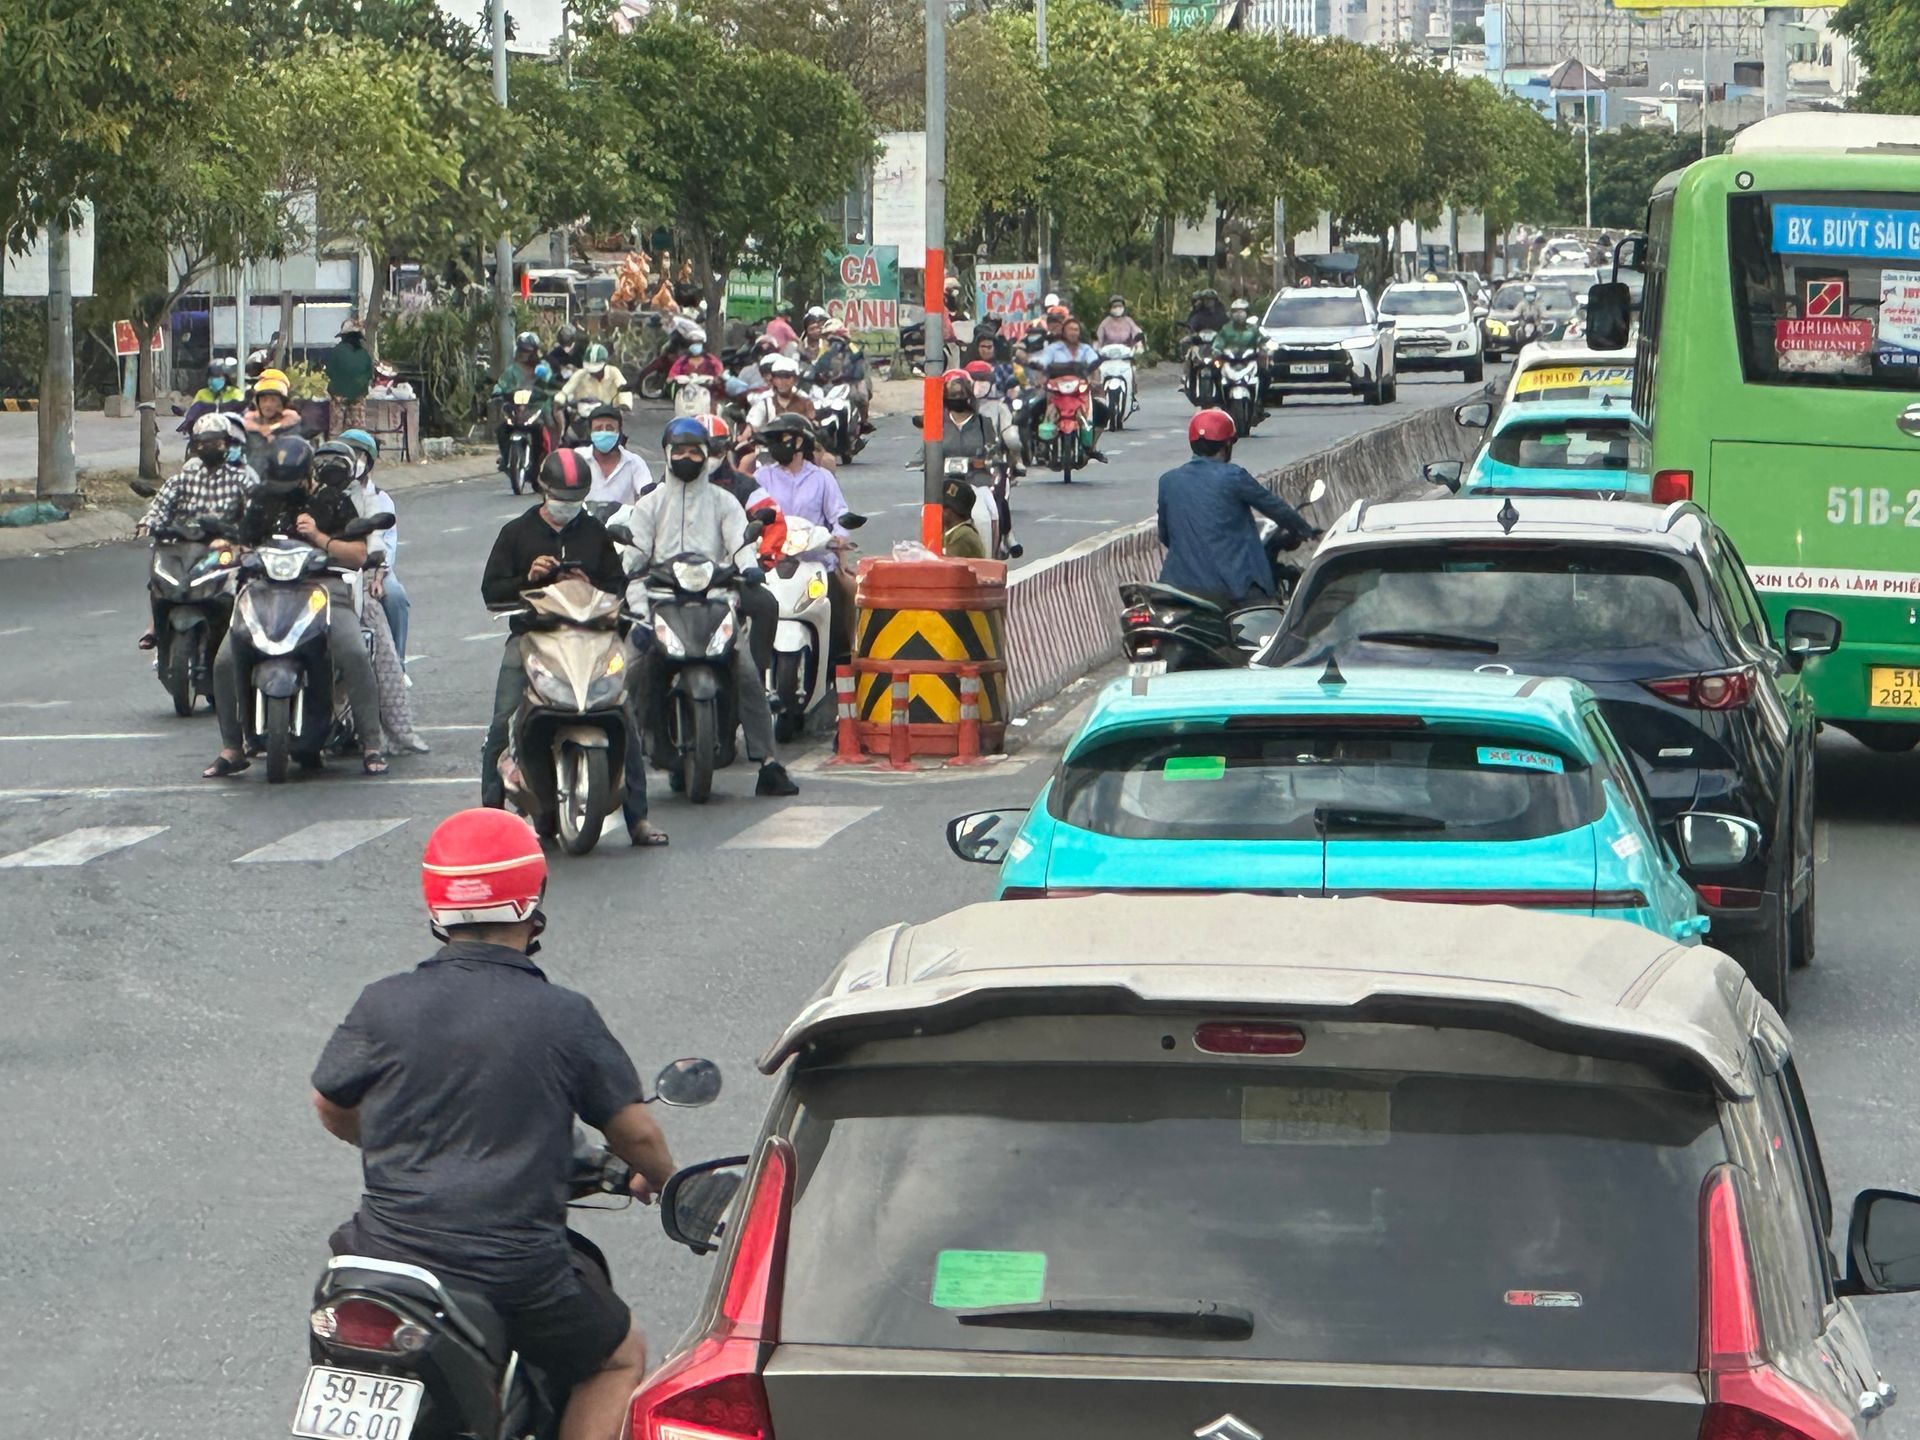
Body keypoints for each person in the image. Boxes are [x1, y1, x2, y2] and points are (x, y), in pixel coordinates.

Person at [310, 807, 676, 1440]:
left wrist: (398, 1141)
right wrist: (669, 1182)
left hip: (377, 1257)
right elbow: (636, 1134)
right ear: (533, 901)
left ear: (436, 905)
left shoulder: (383, 1002)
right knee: (620, 1356)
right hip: (511, 1271)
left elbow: (330, 1103)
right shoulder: (562, 1015)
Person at [480, 449, 661, 845]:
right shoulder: (516, 533)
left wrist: (588, 583)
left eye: (575, 499)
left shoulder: (594, 532)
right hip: (535, 637)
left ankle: (638, 820)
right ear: (543, 491)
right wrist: (529, 579)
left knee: (623, 714)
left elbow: (616, 586)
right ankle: (491, 818)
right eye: (561, 499)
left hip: (591, 638)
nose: (567, 507)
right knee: (502, 719)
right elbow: (492, 591)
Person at [614, 418, 797, 799]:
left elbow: (740, 543)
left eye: (694, 451)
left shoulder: (724, 501)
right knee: (627, 672)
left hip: (715, 600)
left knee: (746, 672)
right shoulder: (649, 504)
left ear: (706, 455)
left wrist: (749, 566)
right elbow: (635, 559)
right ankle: (618, 766)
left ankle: (768, 764)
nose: (687, 458)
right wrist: (636, 600)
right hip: (659, 602)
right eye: (679, 451)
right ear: (667, 454)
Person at [203, 435, 388, 778]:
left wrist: (319, 537)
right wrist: (230, 550)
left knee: (353, 651)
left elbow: (358, 555)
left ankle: (371, 744)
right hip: (265, 591)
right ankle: (231, 747)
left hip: (323, 588)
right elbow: (241, 543)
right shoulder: (262, 500)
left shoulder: (331, 501)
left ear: (307, 476)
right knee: (226, 659)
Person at [1156, 409, 1316, 613]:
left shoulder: (1168, 481)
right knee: (1267, 619)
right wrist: (1304, 529)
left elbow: (1165, 535)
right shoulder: (1233, 476)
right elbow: (1275, 508)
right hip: (1232, 587)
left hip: (1177, 586)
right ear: (1227, 445)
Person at [136, 412, 259, 654]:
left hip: (224, 551)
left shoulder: (242, 481)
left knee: (245, 586)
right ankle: (157, 629)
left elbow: (255, 517)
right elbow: (159, 508)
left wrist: (240, 536)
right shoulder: (181, 480)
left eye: (215, 442)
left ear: (227, 444)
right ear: (195, 446)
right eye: (202, 443)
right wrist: (148, 524)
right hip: (183, 548)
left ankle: (243, 637)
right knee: (159, 581)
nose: (208, 448)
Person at [749, 414, 855, 660]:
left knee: (847, 592)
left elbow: (839, 514)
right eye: (773, 439)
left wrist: (839, 536)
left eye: (782, 438)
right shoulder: (762, 477)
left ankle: (847, 649)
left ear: (800, 442)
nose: (776, 445)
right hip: (772, 561)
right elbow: (748, 512)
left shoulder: (822, 478)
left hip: (815, 561)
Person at [339, 429, 412, 677]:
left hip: (372, 568)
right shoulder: (328, 493)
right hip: (336, 565)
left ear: (368, 461)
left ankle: (398, 665)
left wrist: (379, 577)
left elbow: (386, 545)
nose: (353, 461)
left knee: (396, 597)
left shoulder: (381, 499)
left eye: (358, 455)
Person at [492, 332, 556, 473]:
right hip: (516, 409)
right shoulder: (512, 370)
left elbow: (549, 381)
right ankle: (506, 458)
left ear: (535, 352)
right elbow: (501, 384)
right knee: (502, 430)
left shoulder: (543, 367)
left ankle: (547, 459)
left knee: (545, 428)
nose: (523, 354)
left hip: (538, 408)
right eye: (521, 350)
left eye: (527, 351)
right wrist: (497, 391)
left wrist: (546, 386)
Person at [574, 404, 654, 510]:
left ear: (619, 432)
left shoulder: (634, 463)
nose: (604, 432)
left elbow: (647, 496)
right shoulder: (577, 459)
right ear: (590, 432)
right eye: (598, 429)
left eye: (609, 428)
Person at [241, 369, 305, 473]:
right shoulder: (248, 426)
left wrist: (272, 429)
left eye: (273, 400)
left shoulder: (293, 426)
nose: (267, 404)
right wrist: (260, 429)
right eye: (263, 399)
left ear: (283, 403)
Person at [325, 319, 375, 434]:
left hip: (338, 396)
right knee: (357, 432)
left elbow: (329, 372)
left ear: (344, 336)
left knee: (336, 432)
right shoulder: (364, 354)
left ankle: (336, 445)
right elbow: (369, 374)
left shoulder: (336, 351)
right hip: (358, 397)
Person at [744, 355, 815, 433]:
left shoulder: (805, 400)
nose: (781, 382)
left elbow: (812, 426)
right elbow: (753, 426)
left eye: (786, 377)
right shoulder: (766, 402)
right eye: (777, 377)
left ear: (795, 379)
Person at [555, 343, 631, 413]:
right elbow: (566, 390)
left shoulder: (614, 372)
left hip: (610, 412)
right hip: (585, 411)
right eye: (590, 370)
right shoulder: (580, 374)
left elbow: (624, 389)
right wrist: (559, 401)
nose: (593, 373)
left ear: (605, 363)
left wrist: (624, 404)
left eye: (597, 370)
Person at [177, 357, 245, 435]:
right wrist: (189, 420)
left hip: (230, 431)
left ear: (226, 378)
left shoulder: (235, 393)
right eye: (211, 377)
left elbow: (241, 412)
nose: (213, 380)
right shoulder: (202, 393)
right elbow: (193, 412)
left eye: (218, 377)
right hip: (204, 432)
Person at [940, 476, 986, 558]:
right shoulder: (952, 532)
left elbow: (943, 561)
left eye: (941, 508)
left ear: (948, 512)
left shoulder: (964, 536)